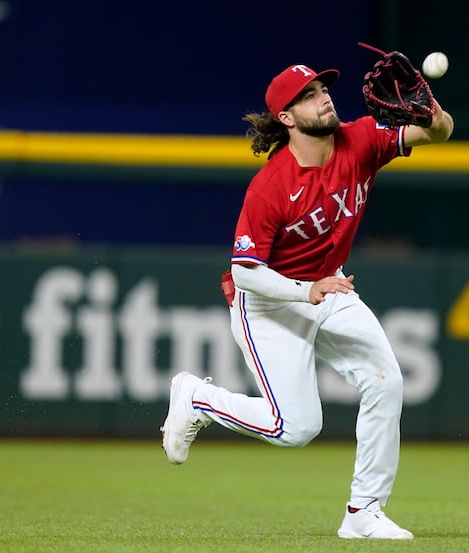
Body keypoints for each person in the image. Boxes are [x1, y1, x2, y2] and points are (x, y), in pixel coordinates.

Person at [160, 62, 453, 539]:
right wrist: (305, 290)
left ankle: (363, 515)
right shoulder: (271, 185)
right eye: (310, 94)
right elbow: (244, 272)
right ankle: (196, 398)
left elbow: (438, 133)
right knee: (295, 429)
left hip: (327, 286)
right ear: (288, 118)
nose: (324, 97)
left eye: (323, 89)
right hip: (270, 302)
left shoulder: (360, 140)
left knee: (386, 381)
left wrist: (433, 113)